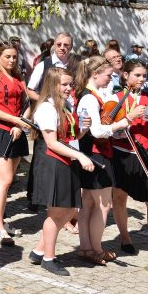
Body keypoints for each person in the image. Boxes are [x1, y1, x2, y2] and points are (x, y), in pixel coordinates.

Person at [27, 67, 96, 276]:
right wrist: (81, 156)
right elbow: (52, 143)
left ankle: (39, 251)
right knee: (58, 212)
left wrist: (84, 129)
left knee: (69, 210)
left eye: (70, 84)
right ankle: (49, 258)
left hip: (66, 161)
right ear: (52, 85)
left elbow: (71, 138)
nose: (68, 88)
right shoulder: (47, 108)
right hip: (54, 164)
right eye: (64, 84)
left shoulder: (65, 105)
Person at [75, 56, 140, 265]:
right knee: (102, 205)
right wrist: (121, 123)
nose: (110, 79)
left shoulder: (89, 95)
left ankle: (86, 247)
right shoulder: (89, 98)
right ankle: (96, 249)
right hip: (96, 154)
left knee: (87, 204)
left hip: (92, 153)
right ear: (95, 74)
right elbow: (96, 130)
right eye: (108, 75)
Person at [110, 60, 148, 261]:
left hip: (147, 152)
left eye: (144, 75)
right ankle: (125, 237)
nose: (141, 79)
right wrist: (128, 117)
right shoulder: (115, 98)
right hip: (123, 153)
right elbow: (111, 131)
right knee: (119, 197)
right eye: (137, 75)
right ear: (126, 75)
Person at [0, 41, 30, 246]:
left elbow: (28, 104)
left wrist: (21, 123)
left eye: (14, 57)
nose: (11, 60)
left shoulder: (19, 78)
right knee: (4, 179)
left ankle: (1, 221)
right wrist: (15, 121)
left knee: (8, 181)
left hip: (17, 131)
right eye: (7, 56)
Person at [26, 32, 73, 102]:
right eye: (59, 44)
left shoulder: (75, 65)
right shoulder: (42, 66)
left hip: (70, 111)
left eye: (66, 45)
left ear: (71, 47)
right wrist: (46, 102)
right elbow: (29, 91)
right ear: (54, 45)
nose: (62, 48)